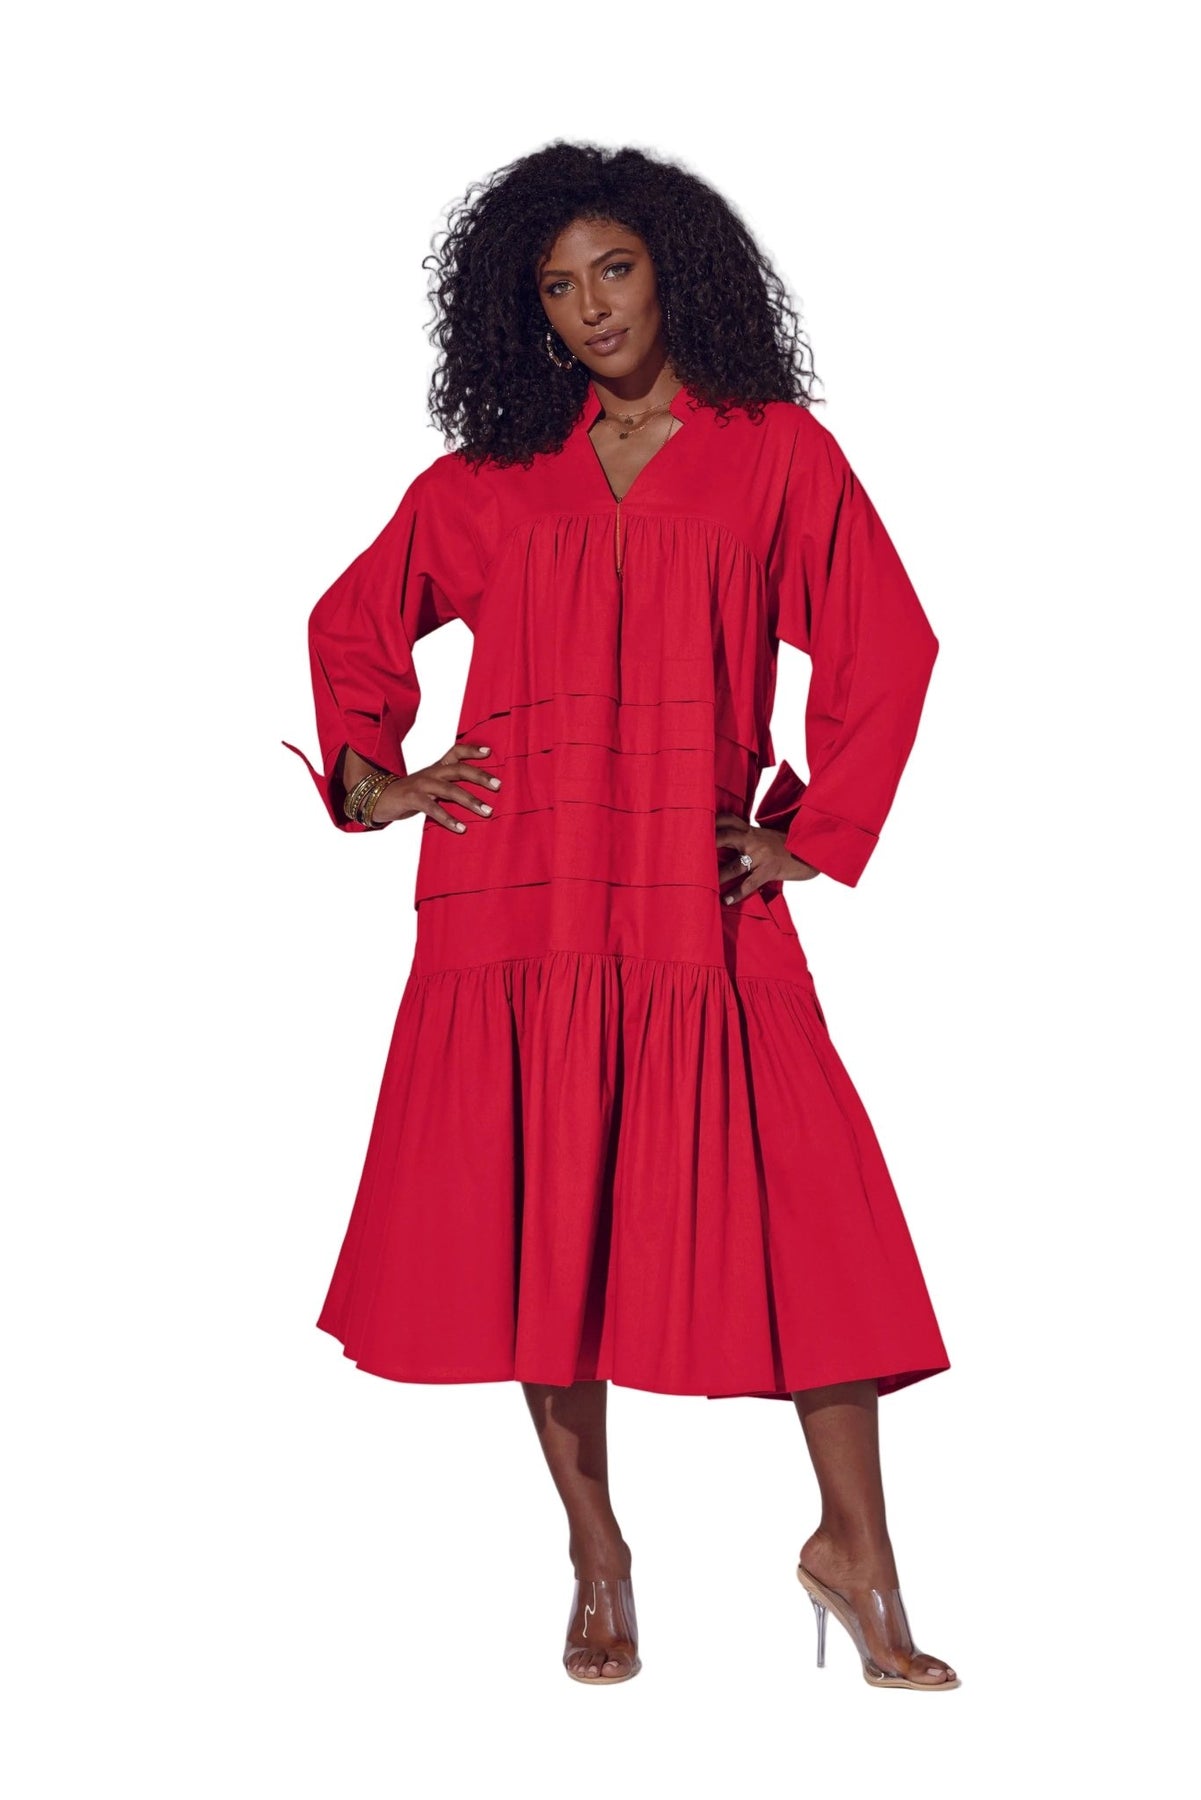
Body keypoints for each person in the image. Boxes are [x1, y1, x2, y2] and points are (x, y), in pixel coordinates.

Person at [283, 141, 958, 1691]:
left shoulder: (774, 454)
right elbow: (352, 624)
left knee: (815, 1218)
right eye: (557, 287)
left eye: (615, 271)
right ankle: (595, 1552)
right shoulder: (486, 480)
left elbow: (885, 643)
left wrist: (806, 838)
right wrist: (381, 780)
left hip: (688, 897)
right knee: (541, 1214)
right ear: (522, 308)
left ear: (674, 272)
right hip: (511, 896)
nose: (591, 308)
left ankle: (854, 1549)